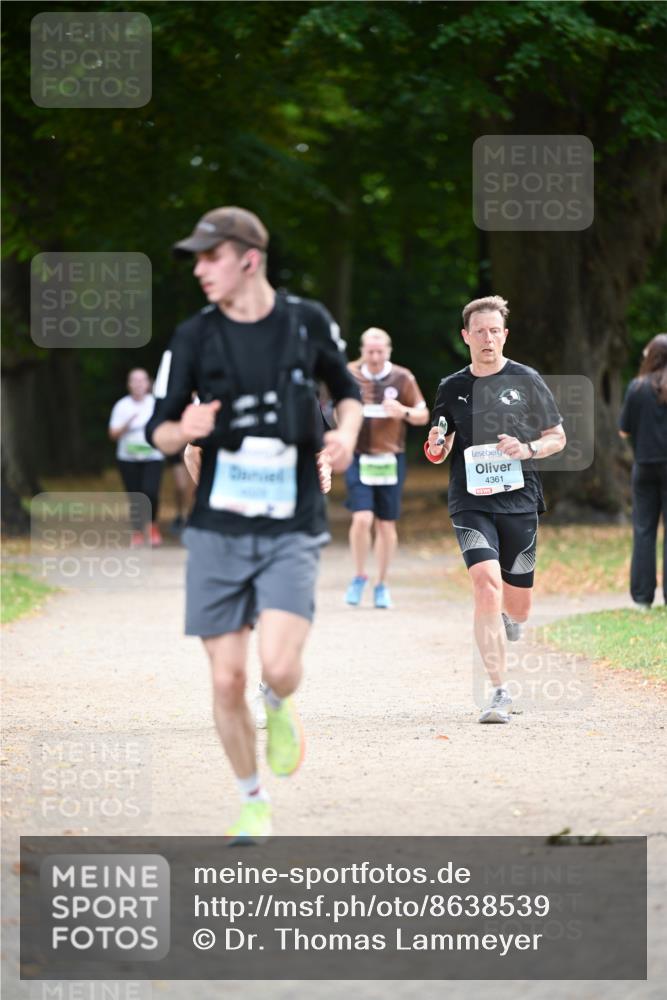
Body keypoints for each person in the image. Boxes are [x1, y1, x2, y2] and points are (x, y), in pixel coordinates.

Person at [145, 206, 362, 841]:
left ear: (249, 258)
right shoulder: (193, 335)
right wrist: (182, 430)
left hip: (291, 523)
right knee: (225, 677)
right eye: (196, 260)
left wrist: (345, 436)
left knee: (279, 666)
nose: (200, 270)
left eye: (210, 257)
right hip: (218, 528)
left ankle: (279, 700)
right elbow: (158, 428)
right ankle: (252, 799)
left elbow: (347, 392)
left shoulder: (306, 321)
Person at [424, 296, 566, 724]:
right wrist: (435, 446)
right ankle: (499, 691)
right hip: (470, 500)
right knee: (486, 585)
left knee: (518, 607)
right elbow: (440, 444)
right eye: (479, 332)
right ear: (465, 337)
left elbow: (557, 436)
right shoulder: (451, 387)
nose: (487, 338)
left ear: (505, 335)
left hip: (519, 500)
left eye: (494, 331)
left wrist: (528, 448)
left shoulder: (526, 379)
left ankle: (511, 618)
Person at [343, 328, 429, 608]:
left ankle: (382, 584)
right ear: (362, 351)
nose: (375, 357)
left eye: (380, 352)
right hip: (358, 456)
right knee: (362, 518)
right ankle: (359, 576)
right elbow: (330, 408)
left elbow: (423, 414)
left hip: (390, 458)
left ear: (389, 351)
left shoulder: (402, 377)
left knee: (385, 523)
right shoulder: (349, 374)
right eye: (370, 351)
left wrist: (403, 411)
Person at [619, 333, 667, 609]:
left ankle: (642, 597)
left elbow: (623, 430)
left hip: (645, 466)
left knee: (644, 530)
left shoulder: (637, 387)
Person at [109, 368, 164, 546]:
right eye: (134, 380)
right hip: (128, 458)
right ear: (129, 384)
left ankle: (153, 526)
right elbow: (112, 434)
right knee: (135, 495)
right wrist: (127, 424)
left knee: (151, 491)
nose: (138, 384)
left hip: (153, 456)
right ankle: (138, 531)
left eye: (142, 380)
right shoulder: (121, 406)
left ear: (148, 383)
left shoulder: (156, 404)